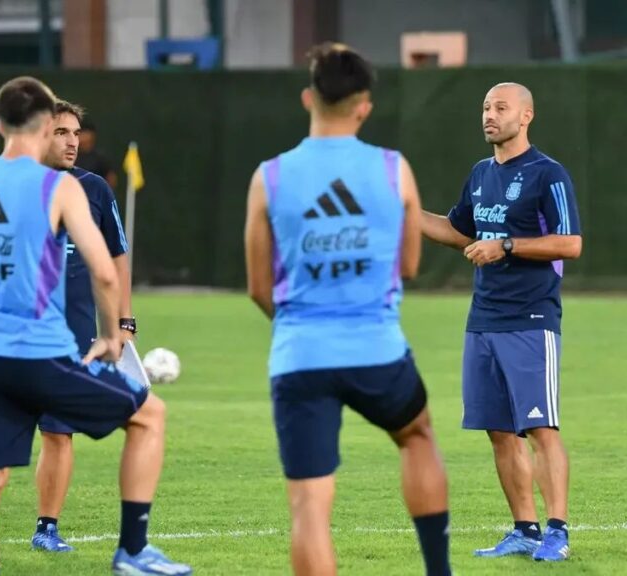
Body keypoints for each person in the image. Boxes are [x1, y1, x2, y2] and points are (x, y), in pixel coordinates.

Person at [0, 76, 190, 576]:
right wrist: (111, 336)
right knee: (150, 417)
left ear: (0, 124)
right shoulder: (57, 186)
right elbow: (106, 269)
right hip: (39, 354)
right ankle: (132, 550)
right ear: (44, 126)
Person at [243, 43, 451, 576]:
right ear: (364, 106)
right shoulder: (392, 169)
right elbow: (408, 265)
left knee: (309, 505)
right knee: (417, 435)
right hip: (376, 349)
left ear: (309, 97)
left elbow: (258, 286)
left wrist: (298, 320)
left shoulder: (269, 177)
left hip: (299, 355)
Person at [420, 82, 582, 561]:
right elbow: (458, 230)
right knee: (499, 430)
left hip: (531, 317)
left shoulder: (547, 174)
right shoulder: (479, 174)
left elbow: (571, 243)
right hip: (483, 318)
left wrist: (506, 245)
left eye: (501, 107)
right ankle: (524, 529)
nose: (490, 115)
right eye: (486, 107)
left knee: (540, 428)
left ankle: (557, 532)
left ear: (526, 115)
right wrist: (403, 213)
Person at [31, 99, 135, 552]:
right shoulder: (13, 188)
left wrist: (124, 321)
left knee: (58, 432)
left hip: (72, 338)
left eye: (75, 133)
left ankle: (46, 528)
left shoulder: (94, 189)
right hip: (13, 336)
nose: (72, 141)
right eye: (61, 133)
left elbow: (116, 258)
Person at [75, 117, 118, 189]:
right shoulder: (70, 157)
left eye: (86, 133)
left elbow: (111, 178)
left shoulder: (99, 158)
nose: (83, 138)